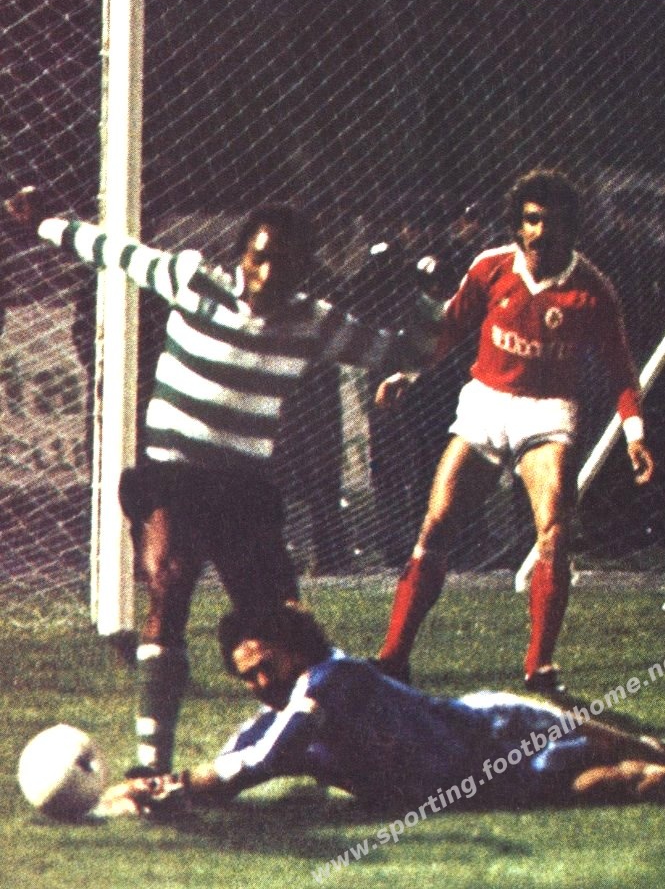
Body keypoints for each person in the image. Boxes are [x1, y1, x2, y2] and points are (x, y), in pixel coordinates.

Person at [1, 184, 441, 776]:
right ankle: (151, 766)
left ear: (304, 269)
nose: (267, 273)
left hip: (243, 489)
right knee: (169, 579)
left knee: (284, 632)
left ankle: (348, 745)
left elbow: (402, 352)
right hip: (172, 474)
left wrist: (434, 303)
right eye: (259, 257)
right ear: (240, 257)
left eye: (284, 263)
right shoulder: (192, 281)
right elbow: (111, 249)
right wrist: (44, 224)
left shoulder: (315, 323)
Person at [96, 603, 665, 817]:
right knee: (633, 785)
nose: (256, 685)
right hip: (492, 784)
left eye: (263, 667)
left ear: (294, 650)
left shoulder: (333, 680)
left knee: (634, 756)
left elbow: (255, 764)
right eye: (246, 678)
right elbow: (237, 765)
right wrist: (164, 792)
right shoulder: (277, 718)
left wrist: (176, 784)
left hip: (499, 729)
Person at [371, 169, 655, 694]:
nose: (541, 232)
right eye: (532, 220)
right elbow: (450, 328)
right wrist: (407, 373)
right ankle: (392, 658)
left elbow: (620, 369)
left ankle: (539, 667)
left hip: (547, 413)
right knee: (436, 526)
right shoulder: (491, 267)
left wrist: (634, 433)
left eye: (553, 222)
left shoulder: (593, 290)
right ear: (518, 225)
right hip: (486, 403)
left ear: (572, 228)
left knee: (554, 533)